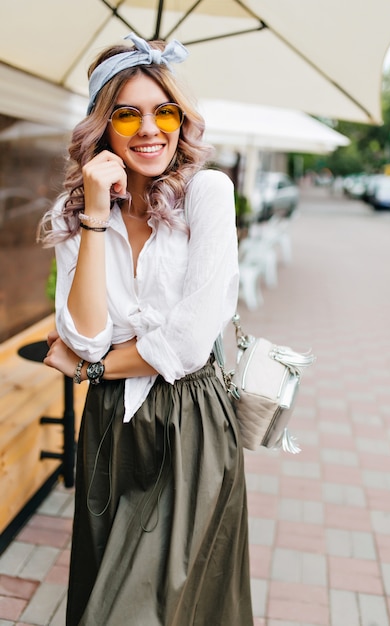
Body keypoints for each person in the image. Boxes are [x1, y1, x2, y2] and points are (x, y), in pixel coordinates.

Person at [39, 33, 253, 626]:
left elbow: (184, 344)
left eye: (164, 111)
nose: (150, 129)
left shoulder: (207, 195)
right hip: (109, 426)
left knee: (147, 610)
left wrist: (91, 368)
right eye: (127, 115)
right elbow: (84, 332)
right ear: (102, 129)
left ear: (181, 121)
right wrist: (95, 218)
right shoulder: (75, 214)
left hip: (191, 424)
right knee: (106, 586)